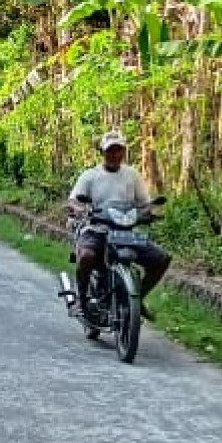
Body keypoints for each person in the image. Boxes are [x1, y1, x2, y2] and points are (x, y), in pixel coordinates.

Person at [67, 130, 171, 320]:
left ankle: (137, 298)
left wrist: (149, 211)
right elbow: (73, 200)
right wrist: (79, 209)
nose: (114, 154)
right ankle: (81, 301)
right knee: (86, 256)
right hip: (96, 229)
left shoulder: (132, 175)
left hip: (125, 231)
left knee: (161, 259)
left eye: (118, 150)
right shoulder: (90, 176)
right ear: (102, 152)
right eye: (110, 150)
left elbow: (144, 203)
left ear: (124, 152)